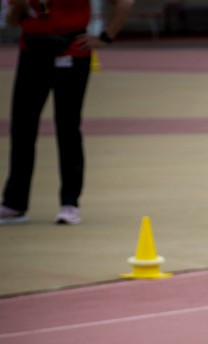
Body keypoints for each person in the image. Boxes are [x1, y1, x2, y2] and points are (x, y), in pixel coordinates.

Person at [0, 0, 133, 226]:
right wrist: (19, 6)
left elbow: (125, 3)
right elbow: (11, 21)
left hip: (71, 51)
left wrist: (105, 36)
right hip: (32, 53)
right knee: (22, 126)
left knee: (67, 126)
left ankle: (70, 203)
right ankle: (14, 203)